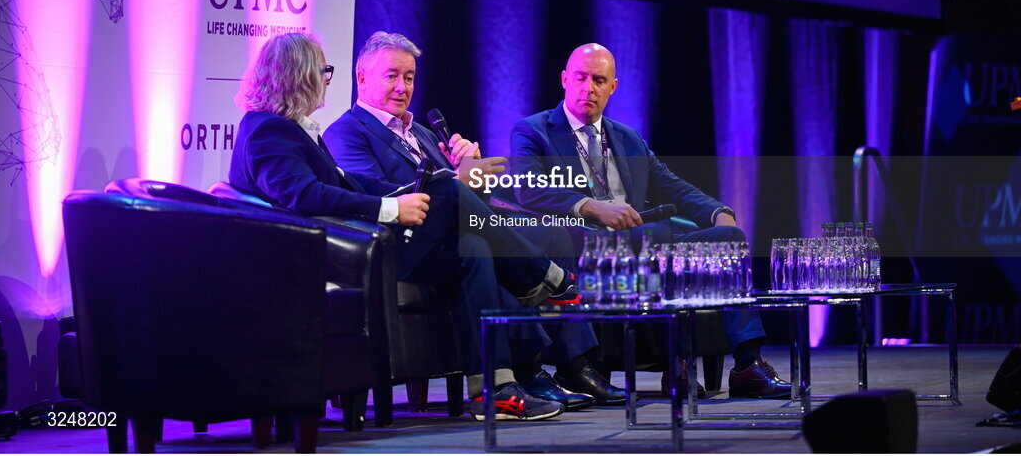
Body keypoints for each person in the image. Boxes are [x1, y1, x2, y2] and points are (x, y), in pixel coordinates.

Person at [229, 32, 576, 420]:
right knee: (450, 190)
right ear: (298, 74)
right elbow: (303, 195)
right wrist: (391, 208)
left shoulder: (290, 128)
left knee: (472, 249)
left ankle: (493, 390)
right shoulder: (268, 129)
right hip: (339, 255)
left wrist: (405, 194)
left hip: (356, 244)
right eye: (322, 71)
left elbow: (350, 183)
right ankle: (547, 279)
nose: (327, 80)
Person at [323, 31, 624, 407]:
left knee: (546, 235)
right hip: (397, 245)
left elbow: (465, 201)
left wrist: (472, 175)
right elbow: (377, 196)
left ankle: (563, 367)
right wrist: (455, 180)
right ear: (362, 77)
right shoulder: (346, 132)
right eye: (391, 76)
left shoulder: (420, 131)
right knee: (473, 234)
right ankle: (540, 322)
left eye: (410, 77)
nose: (403, 87)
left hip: (447, 236)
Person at [510, 43, 792, 400]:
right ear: (565, 79)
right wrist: (592, 207)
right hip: (586, 245)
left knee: (726, 238)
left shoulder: (627, 137)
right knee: (656, 234)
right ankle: (679, 365)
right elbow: (527, 189)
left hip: (644, 240)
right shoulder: (534, 131)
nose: (588, 87)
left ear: (612, 87)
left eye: (599, 80)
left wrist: (716, 211)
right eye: (580, 78)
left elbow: (669, 183)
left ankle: (748, 364)